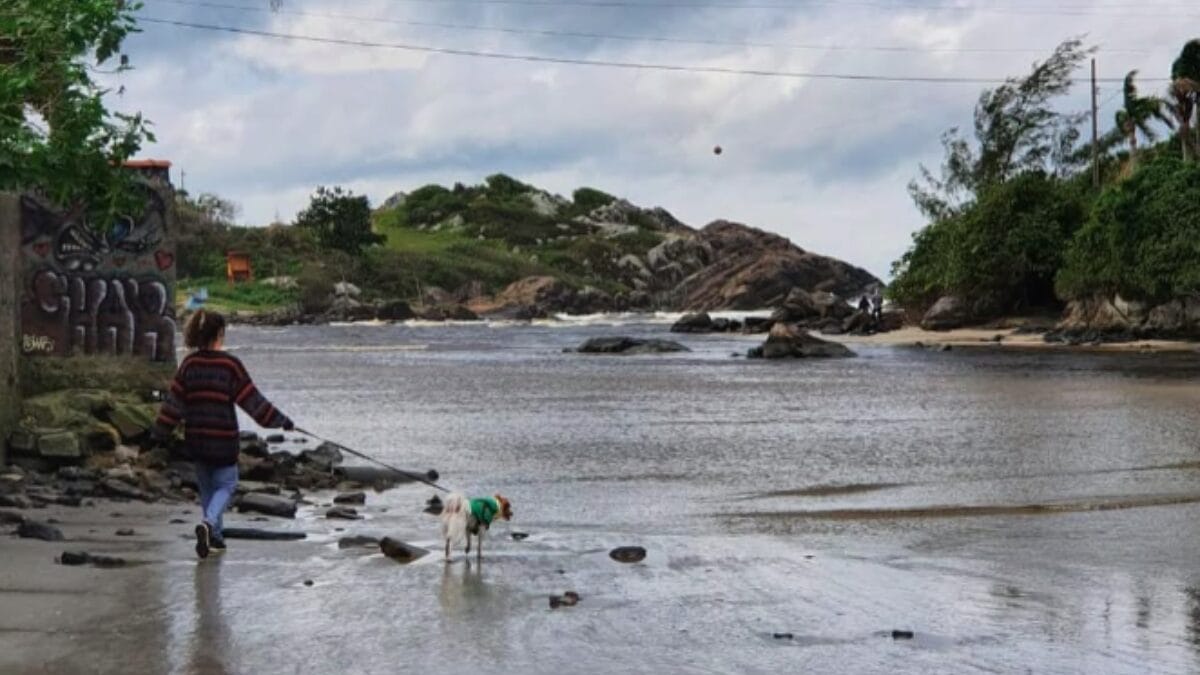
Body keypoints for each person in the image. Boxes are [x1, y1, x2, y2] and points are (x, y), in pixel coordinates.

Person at [153, 309, 293, 559]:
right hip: (223, 438)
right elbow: (253, 402)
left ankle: (214, 537)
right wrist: (282, 422)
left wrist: (159, 433)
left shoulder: (189, 365)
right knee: (227, 484)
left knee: (207, 487)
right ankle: (208, 524)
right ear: (219, 334)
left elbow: (174, 405)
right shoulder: (230, 365)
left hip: (196, 437)